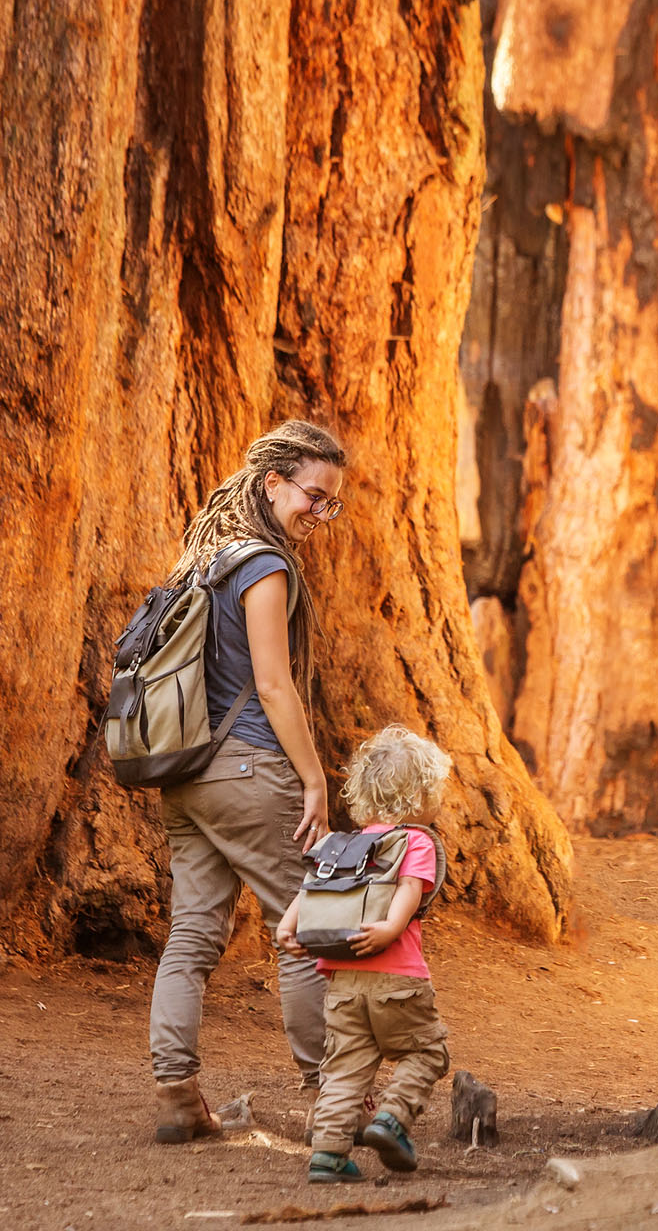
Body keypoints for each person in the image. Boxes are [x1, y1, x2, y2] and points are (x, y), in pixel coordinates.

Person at [148, 420, 347, 1144]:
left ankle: (176, 1096)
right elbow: (272, 683)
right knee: (301, 929)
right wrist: (315, 779)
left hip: (186, 773)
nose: (320, 515)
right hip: (250, 768)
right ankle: (335, 1099)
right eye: (313, 496)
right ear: (273, 483)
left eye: (331, 503)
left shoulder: (204, 556)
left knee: (192, 935)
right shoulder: (264, 565)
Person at [277, 726, 453, 1184]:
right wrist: (390, 929)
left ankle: (328, 1157)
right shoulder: (414, 841)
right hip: (397, 977)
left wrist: (287, 927)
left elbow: (312, 887)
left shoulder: (341, 845)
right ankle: (391, 1119)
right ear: (422, 793)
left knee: (344, 1068)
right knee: (427, 1051)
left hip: (341, 981)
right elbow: (410, 889)